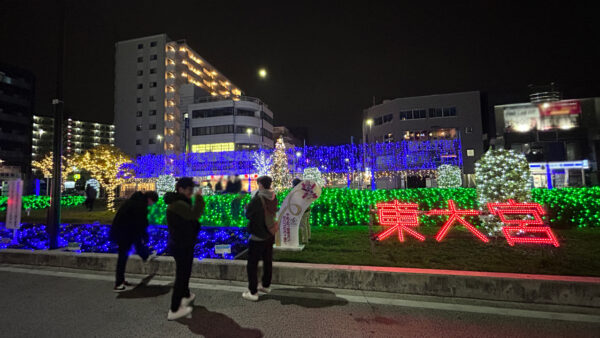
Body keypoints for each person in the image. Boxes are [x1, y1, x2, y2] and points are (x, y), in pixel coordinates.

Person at [164, 177, 205, 320]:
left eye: (192, 190)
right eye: (189, 189)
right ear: (180, 189)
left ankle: (186, 295)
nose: (191, 192)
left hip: (182, 243)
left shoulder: (180, 203)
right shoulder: (178, 205)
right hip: (181, 244)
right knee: (182, 275)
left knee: (185, 271)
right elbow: (195, 215)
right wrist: (199, 199)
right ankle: (174, 309)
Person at [110, 190, 159, 292]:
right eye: (152, 203)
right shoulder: (140, 205)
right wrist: (145, 236)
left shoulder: (134, 201)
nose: (151, 205)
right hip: (125, 233)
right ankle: (118, 283)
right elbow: (141, 223)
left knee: (130, 251)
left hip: (124, 231)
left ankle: (122, 280)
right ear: (150, 199)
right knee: (123, 257)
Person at [242, 175, 278, 301]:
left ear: (261, 184)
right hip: (270, 233)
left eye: (259, 184)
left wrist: (247, 207)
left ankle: (253, 292)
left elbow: (249, 214)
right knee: (268, 260)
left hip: (258, 235)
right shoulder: (273, 196)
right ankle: (266, 285)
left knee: (252, 264)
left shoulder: (258, 199)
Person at [292, 178, 311, 243]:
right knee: (307, 224)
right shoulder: (304, 189)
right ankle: (308, 237)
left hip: (303, 209)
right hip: (308, 208)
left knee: (303, 225)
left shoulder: (298, 191)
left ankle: (305, 240)